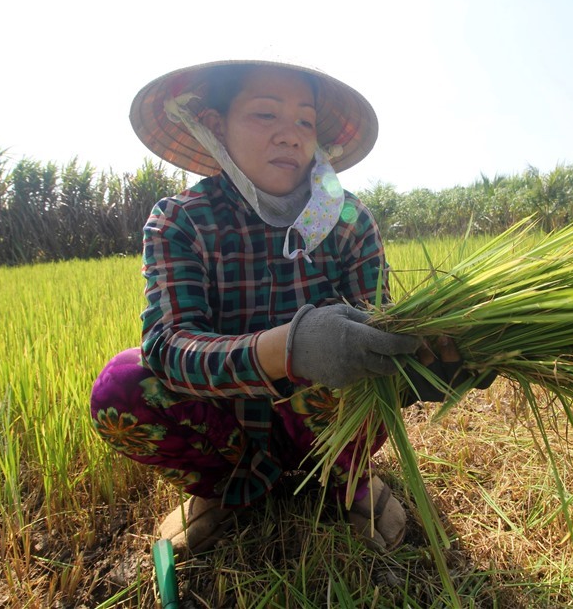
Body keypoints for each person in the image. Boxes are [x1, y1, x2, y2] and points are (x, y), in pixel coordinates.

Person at [90, 59, 488, 560]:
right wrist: (290, 348)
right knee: (122, 386)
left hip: (326, 426)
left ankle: (349, 480)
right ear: (216, 125)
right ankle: (222, 489)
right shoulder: (181, 222)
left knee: (361, 365)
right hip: (230, 428)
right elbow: (168, 350)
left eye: (304, 121)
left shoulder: (347, 221)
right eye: (264, 115)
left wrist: (427, 367)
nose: (290, 136)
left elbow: (383, 333)